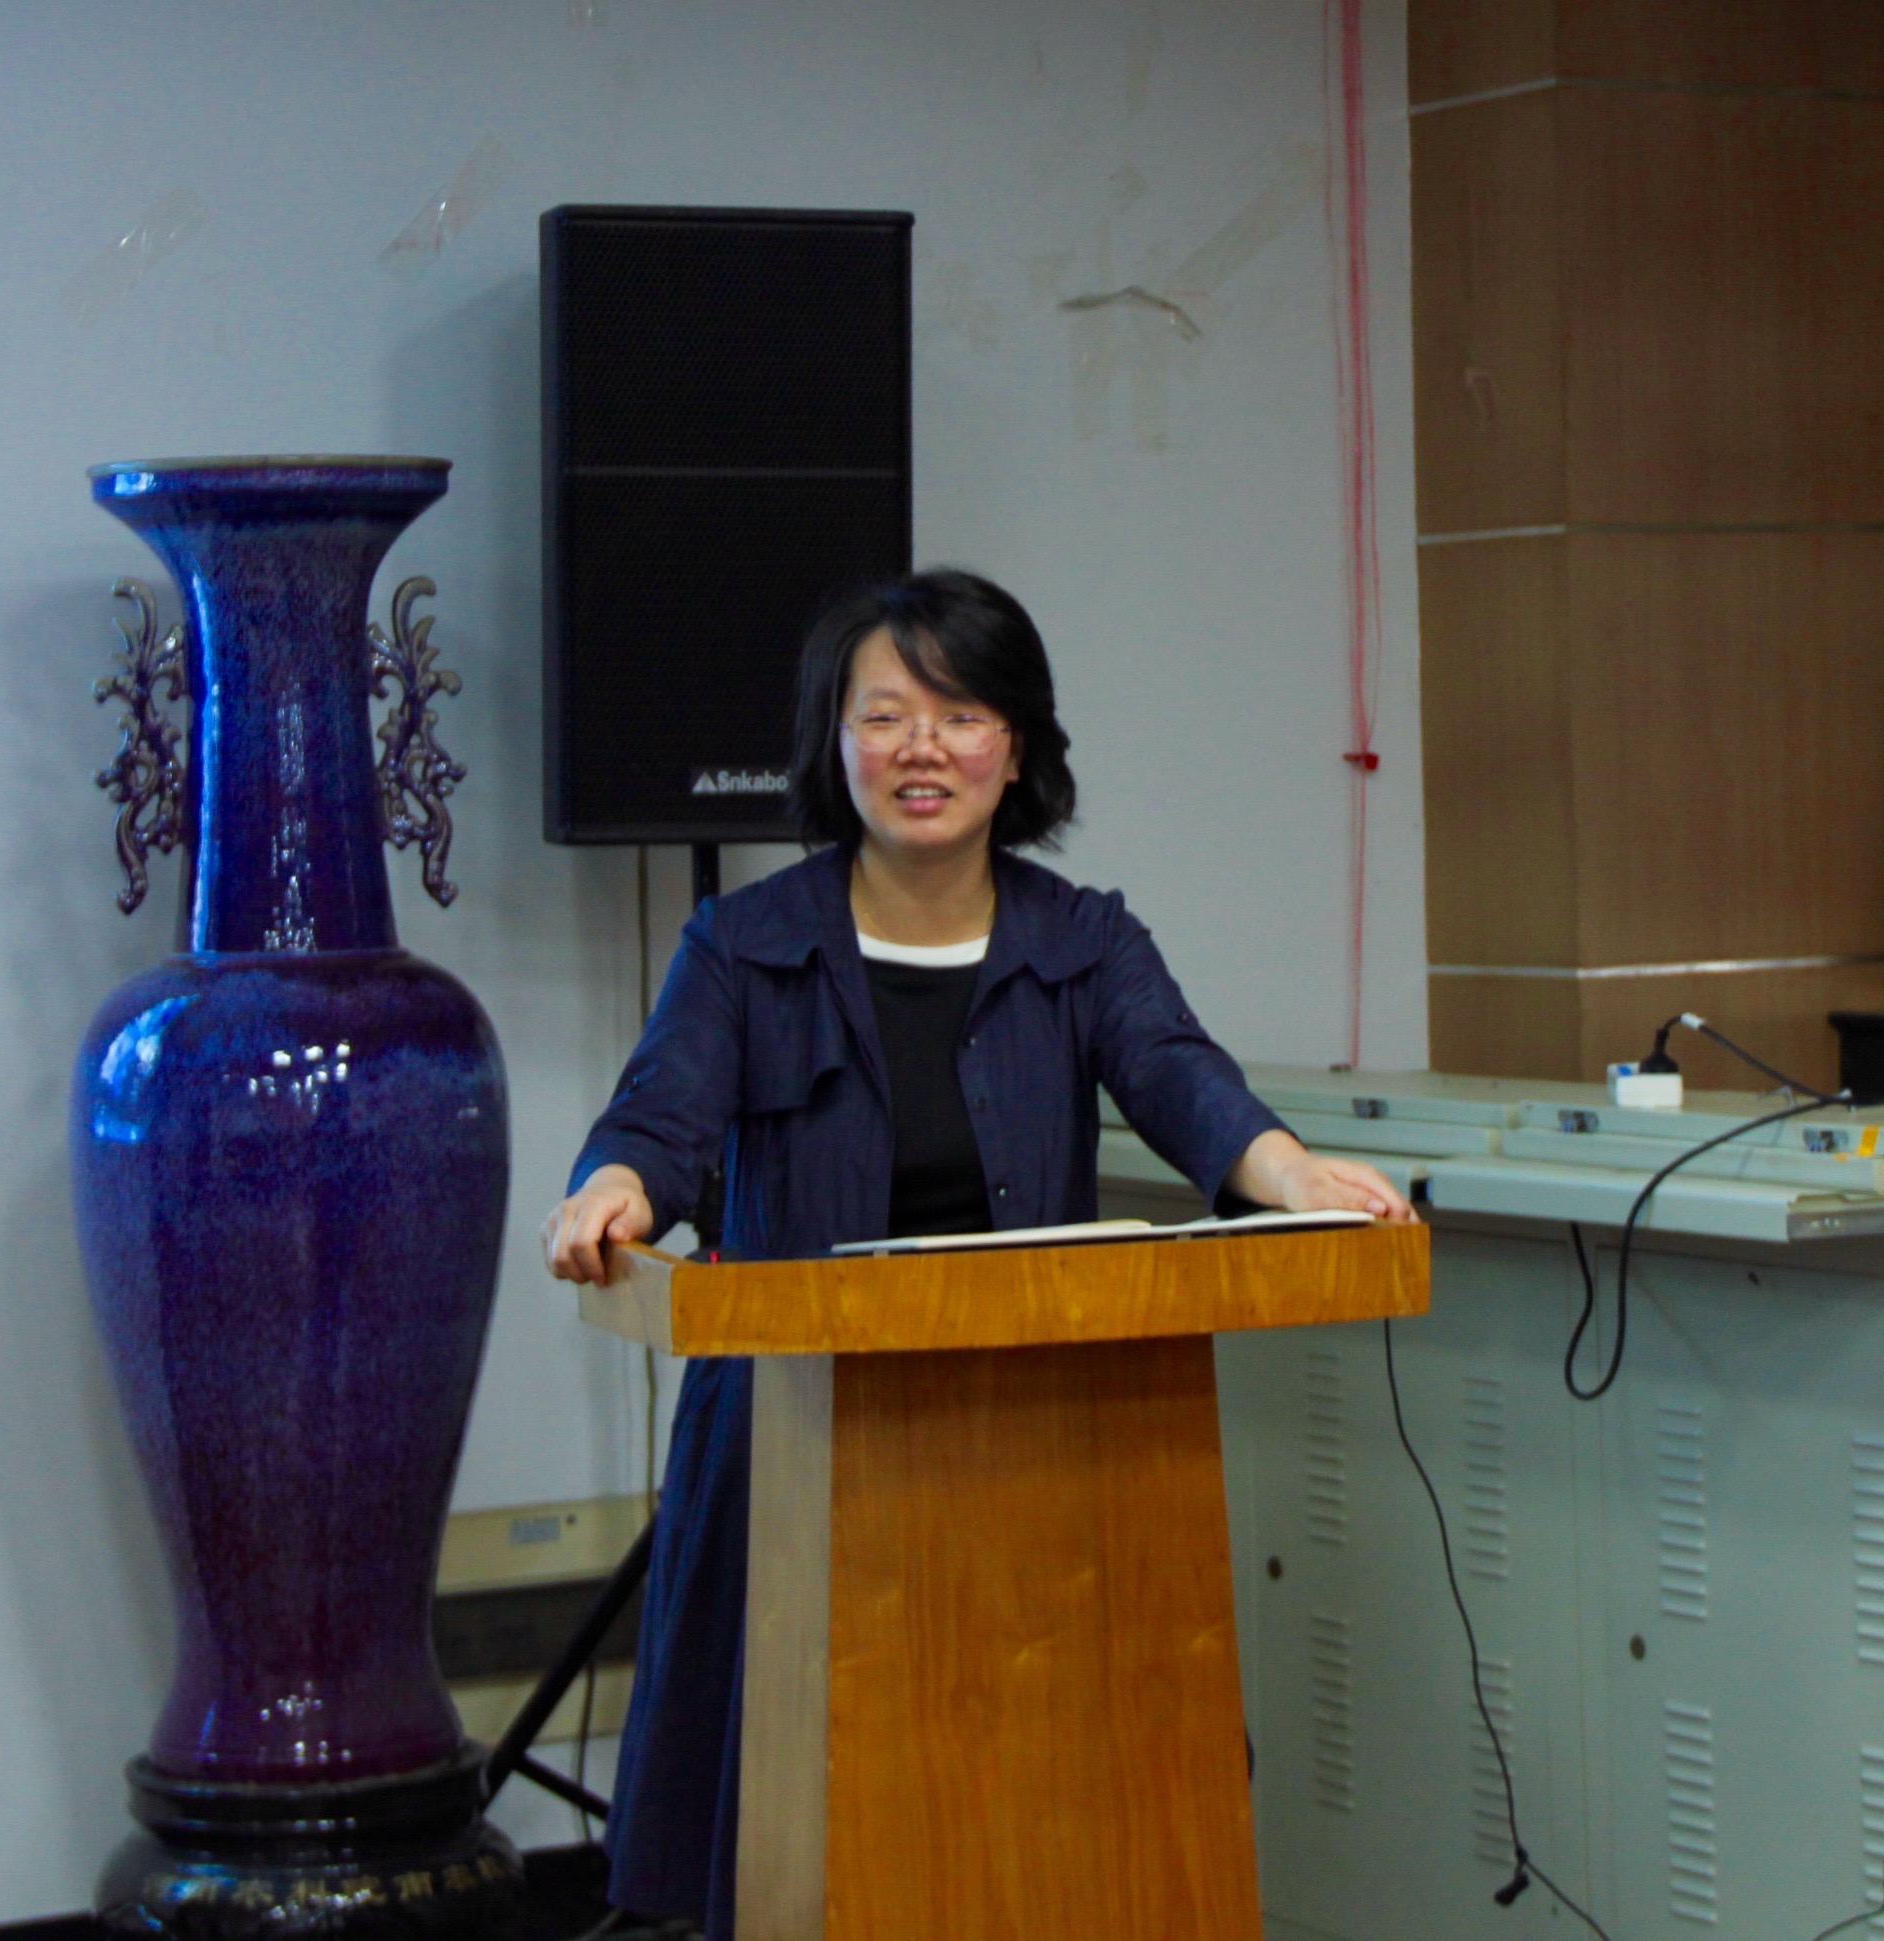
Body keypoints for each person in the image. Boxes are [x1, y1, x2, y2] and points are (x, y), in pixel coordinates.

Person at [540, 569, 1412, 1938]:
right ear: (835, 741)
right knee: (797, 1833)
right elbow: (660, 1117)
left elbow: (1183, 1079)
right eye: (885, 715)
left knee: (1042, 1827)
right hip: (796, 1447)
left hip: (1035, 1446)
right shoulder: (742, 946)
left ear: (1017, 745)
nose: (923, 749)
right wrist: (612, 1187)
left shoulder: (1087, 940)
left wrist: (1294, 1175)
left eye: (960, 714)